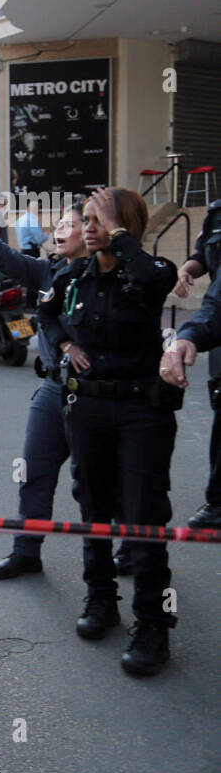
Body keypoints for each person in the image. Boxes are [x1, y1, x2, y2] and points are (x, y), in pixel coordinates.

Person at [36, 187, 180, 676]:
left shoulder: (150, 271)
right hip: (89, 405)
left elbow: (150, 280)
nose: (88, 227)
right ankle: (101, 599)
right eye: (88, 220)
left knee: (144, 515)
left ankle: (154, 623)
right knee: (92, 506)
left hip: (143, 411)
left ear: (125, 226)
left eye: (99, 220)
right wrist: (63, 344)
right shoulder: (73, 274)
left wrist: (123, 238)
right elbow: (46, 312)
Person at [0, 202, 114, 579]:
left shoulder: (111, 279)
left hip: (97, 397)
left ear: (93, 232)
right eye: (60, 224)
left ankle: (122, 560)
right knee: (33, 471)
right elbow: (2, 256)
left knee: (98, 487)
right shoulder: (47, 272)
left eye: (71, 224)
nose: (60, 231)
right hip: (54, 390)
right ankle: (26, 550)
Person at [166, 198, 221, 527]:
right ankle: (218, 502)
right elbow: (204, 254)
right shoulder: (216, 213)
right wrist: (188, 268)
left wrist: (190, 334)